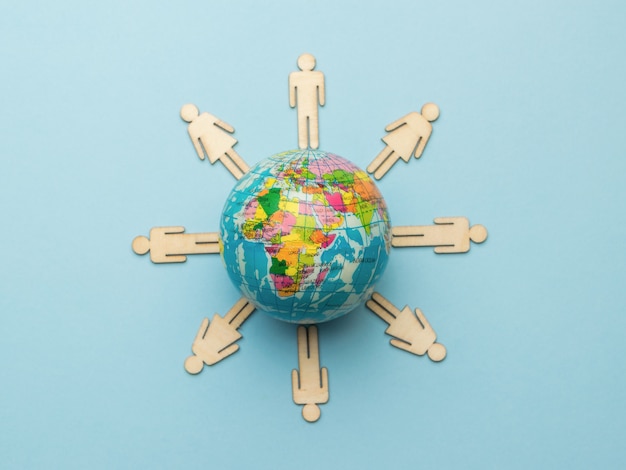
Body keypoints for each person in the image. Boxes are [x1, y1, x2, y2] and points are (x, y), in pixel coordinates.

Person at [367, 103, 439, 179]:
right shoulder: (428, 128)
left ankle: (372, 168)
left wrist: (389, 127)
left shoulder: (415, 116)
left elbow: (399, 122)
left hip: (399, 137)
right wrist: (417, 153)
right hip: (408, 145)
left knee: (386, 151)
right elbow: (422, 145)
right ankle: (378, 174)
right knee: (393, 158)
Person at [180, 103, 250, 179]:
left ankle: (242, 175)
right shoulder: (202, 119)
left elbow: (197, 144)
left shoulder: (194, 125)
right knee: (229, 155)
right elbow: (219, 123)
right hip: (215, 143)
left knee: (227, 158)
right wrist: (229, 128)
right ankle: (245, 173)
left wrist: (201, 154)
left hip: (213, 144)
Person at [291, 325, 329, 422]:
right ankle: (309, 329)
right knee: (308, 347)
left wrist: (323, 371)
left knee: (307, 347)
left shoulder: (322, 397)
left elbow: (324, 377)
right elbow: (295, 378)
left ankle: (308, 330)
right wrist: (295, 374)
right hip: (310, 368)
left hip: (309, 368)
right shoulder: (300, 398)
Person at [391, 217, 488, 253]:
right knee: (416, 237)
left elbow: (447, 221)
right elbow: (448, 249)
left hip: (434, 234)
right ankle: (394, 236)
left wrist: (438, 221)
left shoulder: (465, 244)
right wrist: (438, 249)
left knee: (415, 234)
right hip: (434, 235)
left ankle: (394, 236)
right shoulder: (464, 223)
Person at [289, 53, 325, 149]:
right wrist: (321, 101)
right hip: (303, 104)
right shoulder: (295, 76)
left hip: (307, 105)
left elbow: (321, 89)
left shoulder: (318, 75)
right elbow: (292, 90)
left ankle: (312, 143)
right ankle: (305, 143)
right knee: (305, 122)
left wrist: (292, 102)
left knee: (309, 122)